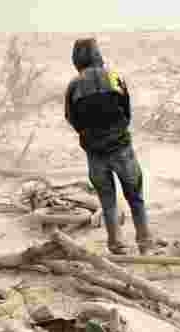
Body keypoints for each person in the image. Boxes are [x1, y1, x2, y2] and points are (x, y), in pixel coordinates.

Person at [65, 38, 157, 255]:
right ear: (98, 55)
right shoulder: (115, 77)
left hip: (94, 152)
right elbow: (127, 111)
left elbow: (71, 118)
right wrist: (118, 130)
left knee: (107, 201)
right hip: (121, 147)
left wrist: (89, 136)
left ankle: (116, 245)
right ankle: (145, 244)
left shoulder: (74, 85)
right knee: (135, 197)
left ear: (76, 59)